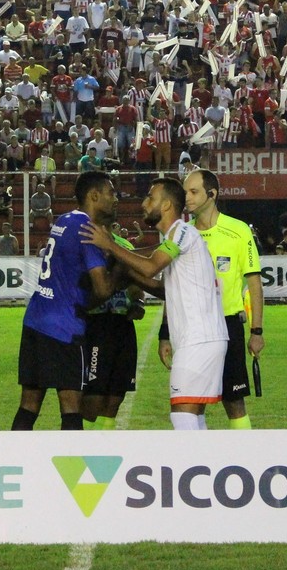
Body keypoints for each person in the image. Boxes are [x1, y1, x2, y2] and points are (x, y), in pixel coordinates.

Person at [80, 177, 228, 431]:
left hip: (199, 340)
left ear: (168, 205)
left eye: (150, 197)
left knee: (183, 416)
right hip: (201, 339)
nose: (144, 203)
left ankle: (194, 467)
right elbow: (163, 289)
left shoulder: (181, 231)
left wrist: (110, 245)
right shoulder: (177, 237)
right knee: (194, 416)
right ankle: (206, 465)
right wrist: (125, 272)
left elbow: (150, 266)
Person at [11, 170, 119, 431]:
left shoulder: (65, 219)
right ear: (94, 195)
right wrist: (121, 268)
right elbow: (103, 289)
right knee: (71, 404)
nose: (116, 199)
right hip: (63, 328)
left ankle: (13, 458)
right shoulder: (87, 230)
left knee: (29, 403)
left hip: (36, 319)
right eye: (111, 192)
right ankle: (72, 469)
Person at [179, 169, 263, 429]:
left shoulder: (238, 231)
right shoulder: (182, 234)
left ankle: (247, 457)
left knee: (234, 401)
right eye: (185, 192)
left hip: (227, 326)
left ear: (212, 195)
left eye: (193, 192)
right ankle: (198, 461)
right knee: (193, 403)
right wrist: (165, 333)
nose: (187, 198)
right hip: (192, 328)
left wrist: (256, 331)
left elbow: (254, 284)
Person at [82, 221, 145, 430]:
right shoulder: (84, 244)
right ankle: (81, 449)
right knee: (93, 399)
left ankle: (103, 449)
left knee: (116, 397)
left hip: (123, 324)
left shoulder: (124, 247)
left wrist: (137, 303)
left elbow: (138, 284)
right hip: (96, 324)